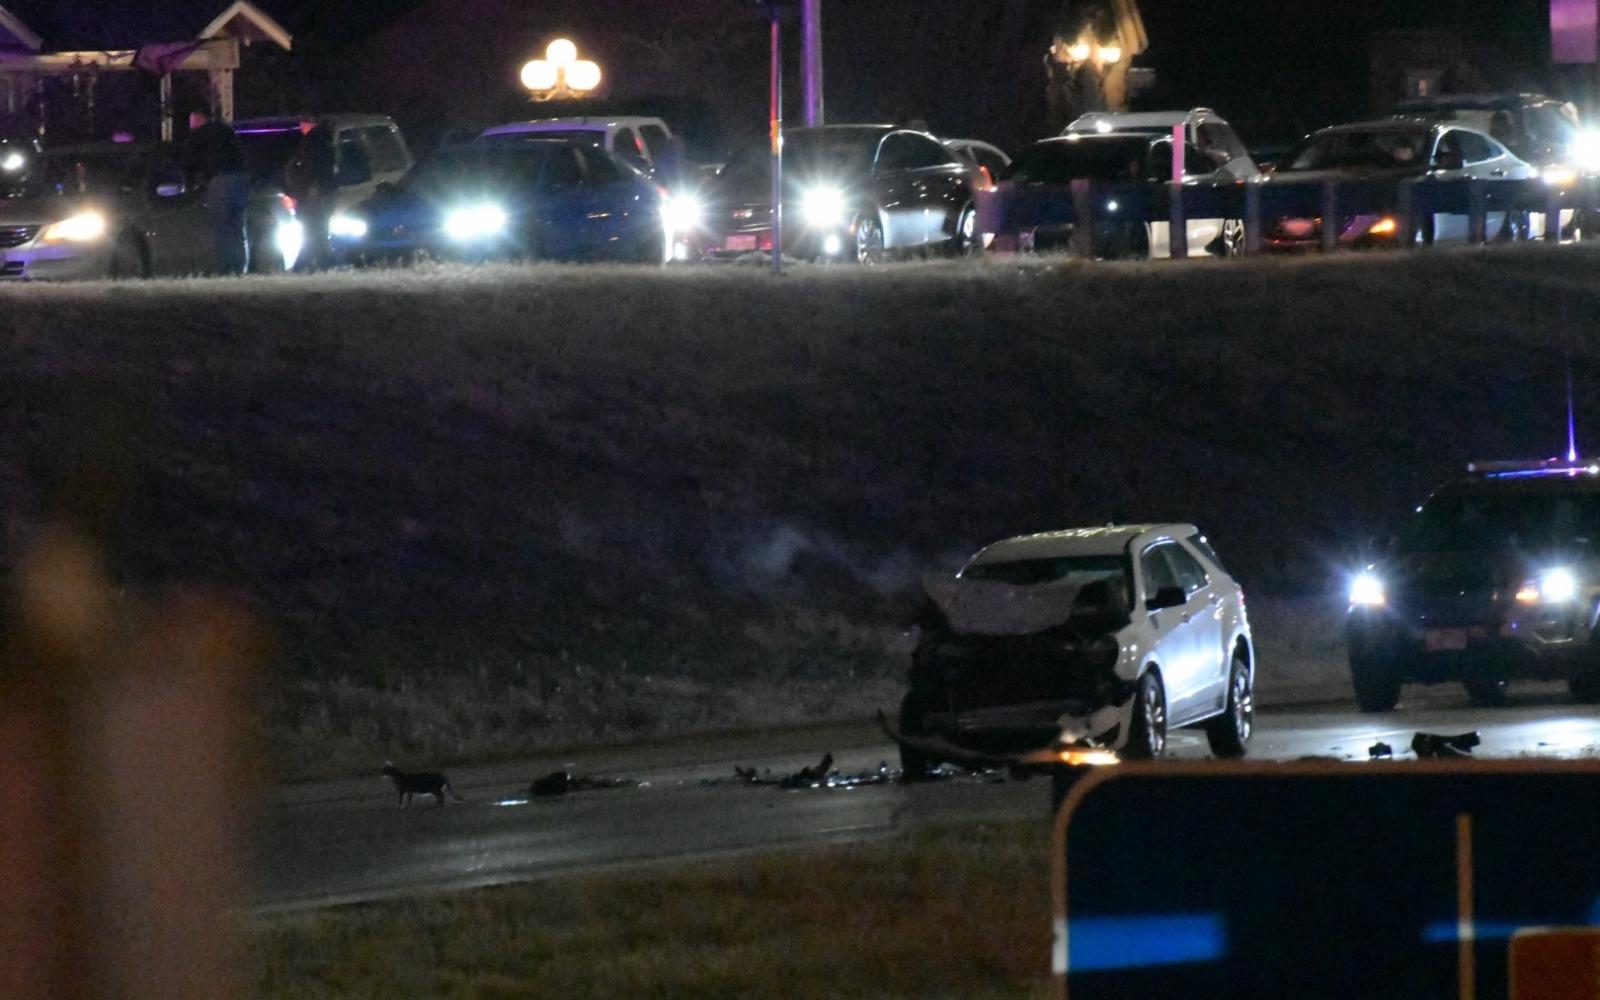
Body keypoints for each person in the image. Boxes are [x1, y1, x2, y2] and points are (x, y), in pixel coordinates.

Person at [182, 109, 250, 274]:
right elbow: (241, 153)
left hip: (220, 182)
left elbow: (189, 163)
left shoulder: (199, 135)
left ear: (197, 121)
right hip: (240, 180)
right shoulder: (226, 130)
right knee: (237, 227)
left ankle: (225, 268)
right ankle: (240, 267)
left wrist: (189, 184)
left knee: (222, 227)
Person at [284, 121, 337, 270]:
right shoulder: (325, 140)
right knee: (317, 230)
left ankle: (316, 264)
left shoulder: (312, 141)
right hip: (323, 191)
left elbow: (310, 168)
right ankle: (317, 264)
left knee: (313, 230)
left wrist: (304, 187)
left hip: (314, 192)